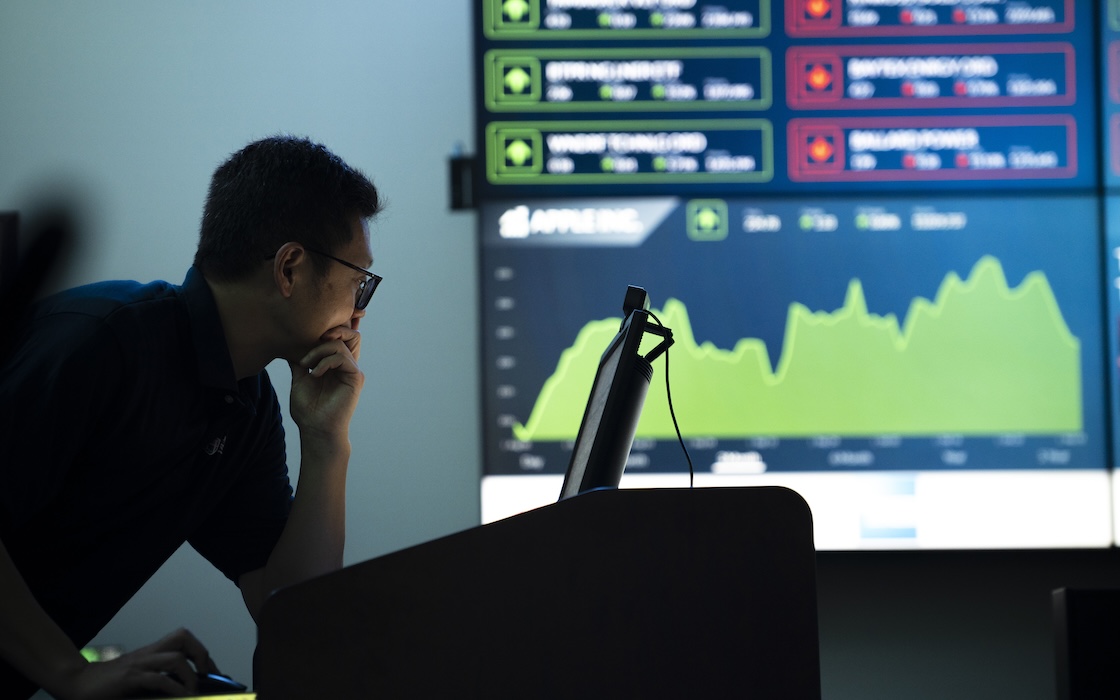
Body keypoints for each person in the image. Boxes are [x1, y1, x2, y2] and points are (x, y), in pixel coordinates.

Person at [0, 135, 383, 699]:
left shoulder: (245, 406)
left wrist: (326, 444)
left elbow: (295, 614)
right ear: (290, 269)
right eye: (360, 281)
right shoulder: (102, 343)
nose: (358, 310)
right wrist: (71, 674)